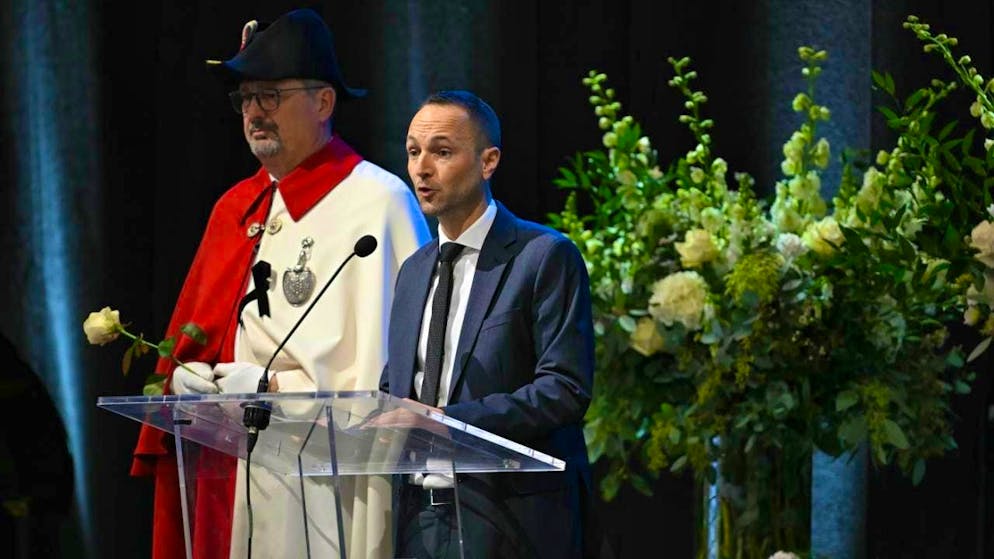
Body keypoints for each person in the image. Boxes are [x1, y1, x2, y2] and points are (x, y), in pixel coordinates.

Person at [130, 8, 430, 559]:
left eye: (270, 95)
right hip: (236, 468)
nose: (254, 113)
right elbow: (205, 331)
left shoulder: (378, 203)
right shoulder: (235, 208)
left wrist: (270, 390)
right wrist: (189, 379)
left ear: (323, 102)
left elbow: (395, 377)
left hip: (328, 481)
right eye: (245, 99)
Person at [378, 90, 595, 558]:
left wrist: (447, 423)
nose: (421, 169)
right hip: (419, 517)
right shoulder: (413, 271)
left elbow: (564, 389)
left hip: (508, 520)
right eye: (414, 152)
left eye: (442, 151)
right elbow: (398, 387)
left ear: (488, 161)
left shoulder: (543, 257)